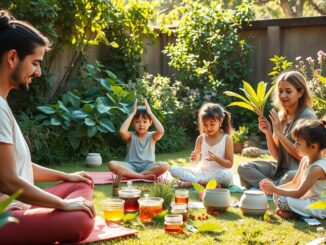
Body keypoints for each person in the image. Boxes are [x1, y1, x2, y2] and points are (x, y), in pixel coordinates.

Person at [0, 10, 95, 244]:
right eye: (35, 63)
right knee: (80, 219)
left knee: (82, 186)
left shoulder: (2, 105)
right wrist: (63, 204)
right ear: (12, 58)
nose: (39, 72)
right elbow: (8, 180)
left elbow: (19, 166)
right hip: (6, 218)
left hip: (19, 205)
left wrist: (67, 176)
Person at [238, 70, 317, 188]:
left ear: (300, 92)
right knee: (244, 167)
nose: (283, 95)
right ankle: (274, 187)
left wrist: (280, 133)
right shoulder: (281, 116)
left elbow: (303, 157)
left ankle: (271, 187)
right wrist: (268, 132)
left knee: (290, 176)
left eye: (288, 91)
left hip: (298, 171)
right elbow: (276, 155)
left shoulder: (307, 117)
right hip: (280, 169)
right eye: (280, 91)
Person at [260, 119, 326, 219]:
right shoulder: (305, 160)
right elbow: (295, 183)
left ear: (313, 146)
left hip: (319, 206)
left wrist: (275, 189)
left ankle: (298, 214)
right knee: (277, 195)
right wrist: (274, 189)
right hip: (306, 200)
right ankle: (297, 213)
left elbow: (299, 193)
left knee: (282, 200)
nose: (294, 146)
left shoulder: (317, 168)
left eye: (298, 143)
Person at [170, 103, 234, 187]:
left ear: (220, 121)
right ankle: (203, 183)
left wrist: (216, 158)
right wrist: (194, 159)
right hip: (201, 173)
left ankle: (192, 183)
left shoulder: (226, 139)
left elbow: (229, 164)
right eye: (205, 124)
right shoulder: (201, 138)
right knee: (174, 169)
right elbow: (195, 163)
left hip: (218, 174)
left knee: (226, 174)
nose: (208, 128)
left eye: (212, 124)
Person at [108, 98, 169, 180]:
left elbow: (161, 131)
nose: (141, 124)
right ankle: (141, 177)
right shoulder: (130, 136)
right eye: (137, 121)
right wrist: (132, 114)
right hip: (130, 166)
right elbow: (122, 131)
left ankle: (132, 175)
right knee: (111, 164)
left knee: (164, 165)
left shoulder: (152, 136)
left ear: (150, 122)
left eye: (144, 121)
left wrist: (150, 113)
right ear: (132, 123)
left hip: (148, 167)